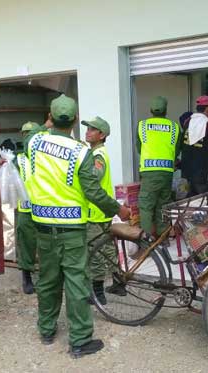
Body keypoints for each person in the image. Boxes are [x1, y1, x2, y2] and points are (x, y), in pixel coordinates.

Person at [26, 94, 131, 358]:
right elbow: (93, 192)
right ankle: (80, 340)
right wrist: (118, 209)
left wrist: (47, 121)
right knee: (75, 282)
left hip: (42, 225)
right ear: (74, 120)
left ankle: (47, 330)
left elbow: (36, 130)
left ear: (50, 117)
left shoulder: (34, 141)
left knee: (48, 280)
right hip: (71, 228)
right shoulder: (81, 151)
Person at [81, 116, 126, 305]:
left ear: (102, 135)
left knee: (96, 253)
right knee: (108, 248)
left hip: (96, 212)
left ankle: (98, 293)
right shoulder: (97, 152)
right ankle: (119, 283)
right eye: (88, 128)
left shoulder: (98, 156)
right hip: (104, 210)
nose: (88, 131)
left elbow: (94, 177)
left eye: (92, 129)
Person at [136, 96, 183, 238]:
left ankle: (146, 240)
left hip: (149, 172)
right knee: (163, 205)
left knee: (146, 206)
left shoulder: (142, 125)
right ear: (165, 110)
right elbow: (177, 149)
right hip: (167, 172)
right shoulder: (174, 127)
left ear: (151, 110)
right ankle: (163, 238)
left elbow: (139, 147)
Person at [15, 121, 43, 294]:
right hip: (26, 208)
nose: (28, 138)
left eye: (31, 135)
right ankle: (27, 277)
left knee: (46, 244)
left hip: (44, 208)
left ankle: (46, 276)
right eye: (26, 135)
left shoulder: (45, 157)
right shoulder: (17, 159)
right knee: (26, 244)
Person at [181, 95, 208, 196]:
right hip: (202, 172)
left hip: (187, 171)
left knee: (192, 201)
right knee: (206, 202)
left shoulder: (188, 121)